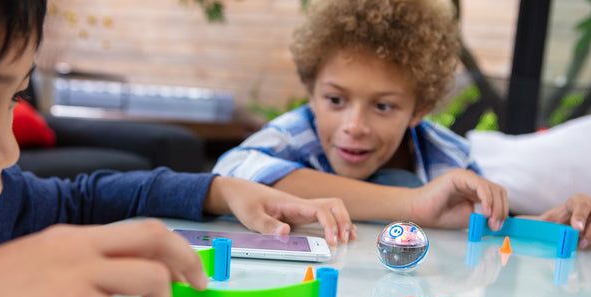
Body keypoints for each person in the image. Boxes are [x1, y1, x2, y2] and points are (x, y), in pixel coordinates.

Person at [0, 0, 361, 297]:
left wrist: (220, 190)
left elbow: (81, 198)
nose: (7, 152)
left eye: (13, 98)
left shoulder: (9, 196)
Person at [212, 0, 590, 248]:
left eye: (383, 106)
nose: (354, 125)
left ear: (419, 109)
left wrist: (554, 223)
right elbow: (232, 174)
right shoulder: (295, 133)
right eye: (335, 100)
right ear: (311, 92)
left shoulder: (447, 156)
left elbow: (484, 226)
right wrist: (412, 205)